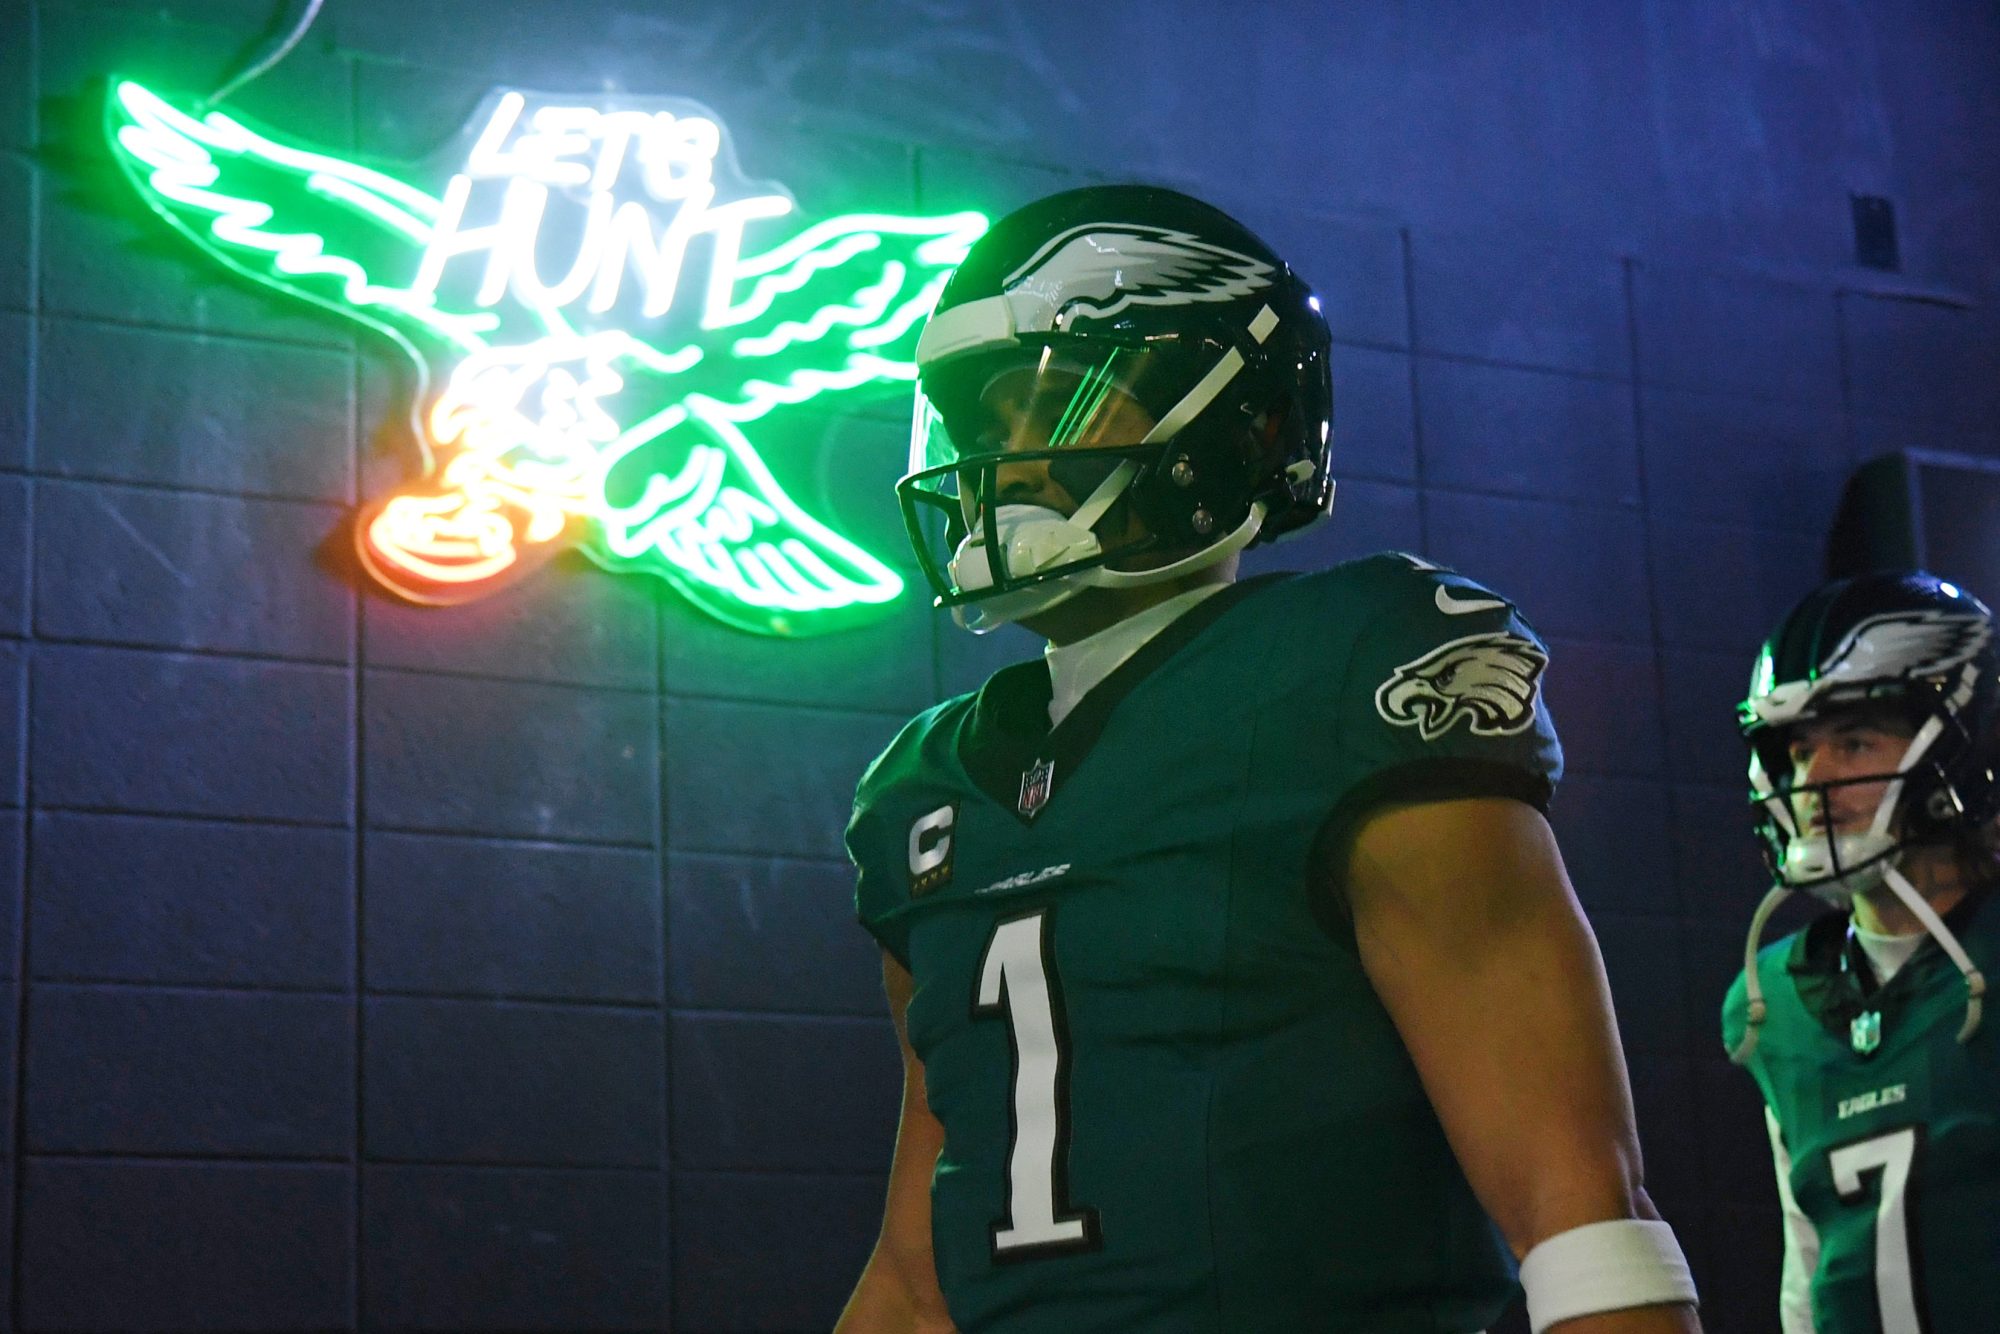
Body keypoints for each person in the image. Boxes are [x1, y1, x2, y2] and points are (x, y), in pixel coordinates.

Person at [836, 184, 1699, 1333]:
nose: (1009, 459)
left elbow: (1577, 1204)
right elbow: (916, 1279)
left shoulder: (1347, 665)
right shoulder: (921, 789)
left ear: (1236, 424)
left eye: (1056, 403)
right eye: (988, 423)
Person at [1723, 571, 2000, 1334]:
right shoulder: (1773, 1000)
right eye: (1798, 750)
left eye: (1853, 742)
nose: (1813, 781)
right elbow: (1807, 1269)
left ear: (1964, 746)